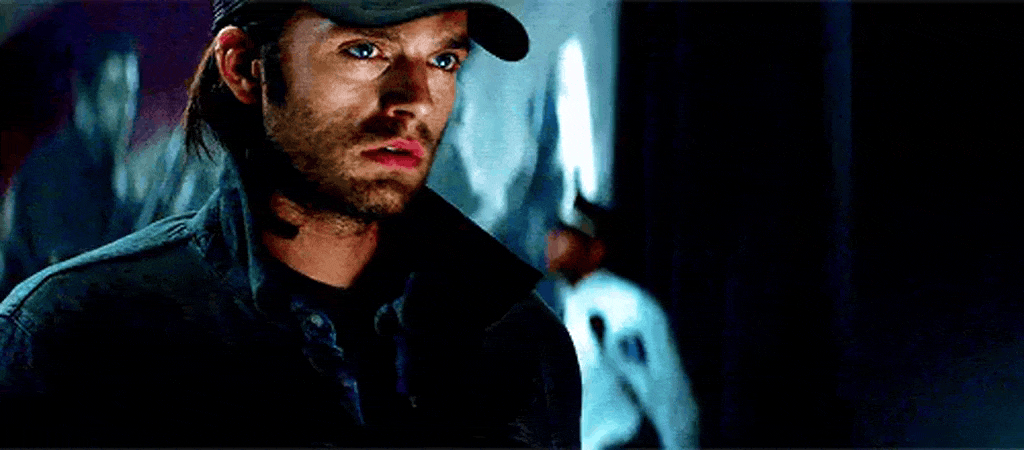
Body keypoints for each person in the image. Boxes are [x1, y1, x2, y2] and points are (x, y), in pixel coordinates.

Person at [0, 0, 581, 447]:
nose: (416, 98)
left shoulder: (520, 344)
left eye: (443, 60)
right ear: (244, 68)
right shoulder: (75, 336)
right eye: (365, 51)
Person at [547, 193, 699, 450]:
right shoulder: (569, 307)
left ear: (595, 250)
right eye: (556, 230)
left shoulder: (621, 306)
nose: (553, 239)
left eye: (567, 233)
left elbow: (666, 394)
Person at [0, 32, 141, 298]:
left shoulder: (112, 173)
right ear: (85, 98)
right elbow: (61, 278)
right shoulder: (48, 174)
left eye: (130, 95)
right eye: (114, 94)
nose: (126, 111)